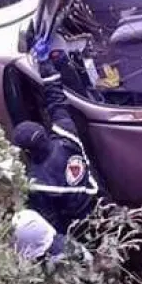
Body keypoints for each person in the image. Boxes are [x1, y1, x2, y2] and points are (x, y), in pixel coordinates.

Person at [10, 40, 100, 260]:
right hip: (98, 198)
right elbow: (56, 101)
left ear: (27, 152)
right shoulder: (66, 135)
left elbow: (52, 223)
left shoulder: (39, 182)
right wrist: (46, 64)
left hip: (80, 224)